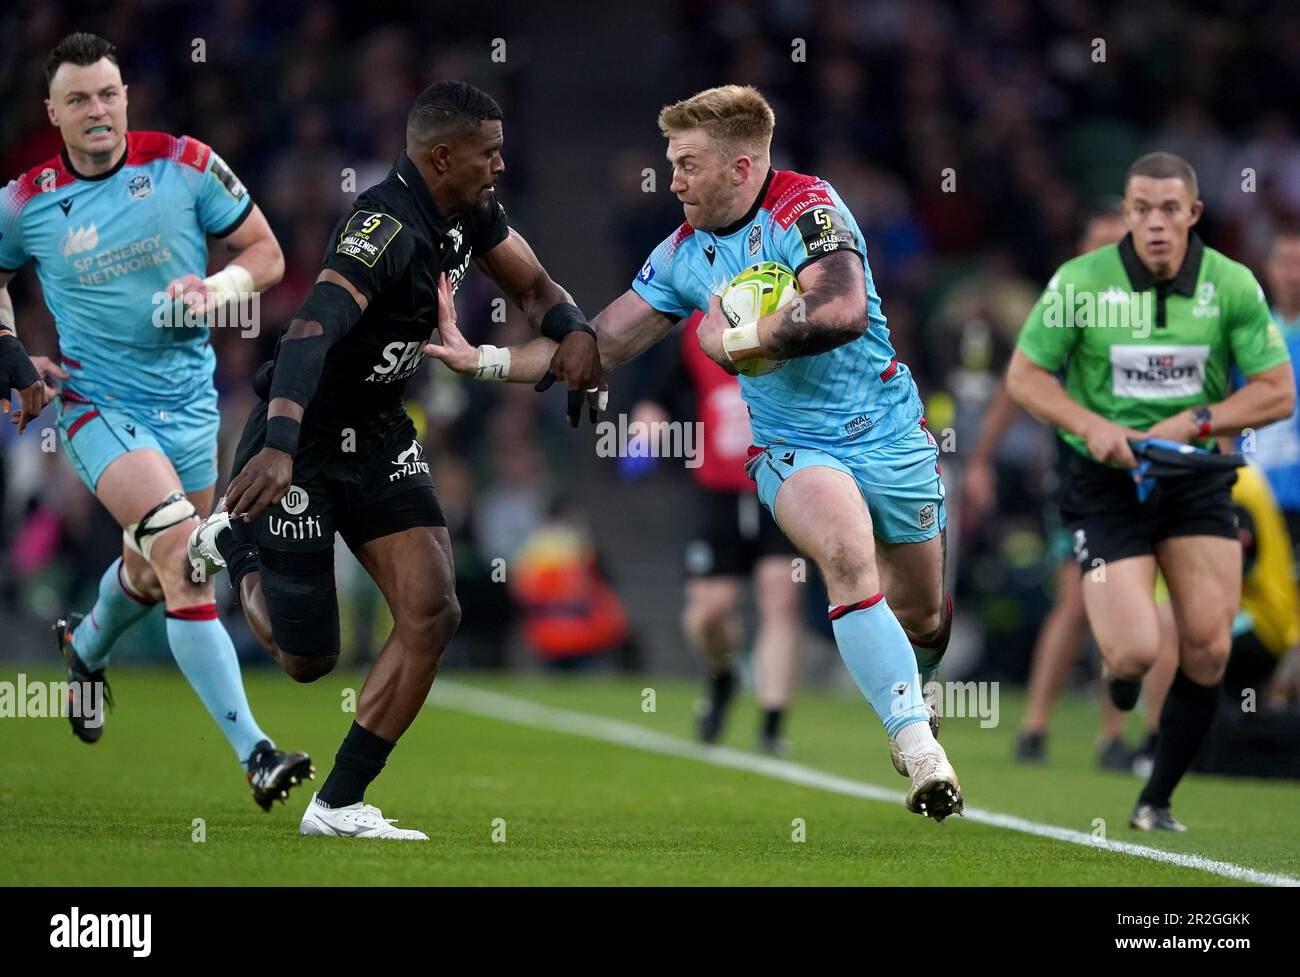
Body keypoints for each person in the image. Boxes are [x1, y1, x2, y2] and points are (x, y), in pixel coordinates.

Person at [427, 85, 962, 821]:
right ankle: (919, 749)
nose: (670, 180)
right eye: (670, 164)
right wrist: (485, 359)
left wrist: (737, 340)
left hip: (890, 432)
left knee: (925, 614)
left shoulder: (807, 208)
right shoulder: (682, 254)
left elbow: (838, 308)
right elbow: (600, 344)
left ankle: (916, 690)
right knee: (843, 552)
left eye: (686, 164)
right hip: (791, 445)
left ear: (741, 168)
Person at [189, 80, 603, 840]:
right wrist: (278, 446)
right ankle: (236, 544)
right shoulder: (384, 227)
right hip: (303, 437)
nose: (501, 166)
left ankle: (338, 802)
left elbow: (537, 286)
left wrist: (575, 329)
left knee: (434, 608)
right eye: (489, 153)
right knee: (308, 658)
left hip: (378, 432)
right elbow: (311, 329)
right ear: (441, 157)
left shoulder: (468, 210)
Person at [0, 33, 311, 810]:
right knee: (184, 554)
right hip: (95, 401)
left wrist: (222, 284)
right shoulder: (24, 200)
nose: (96, 110)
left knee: (151, 570)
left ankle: (83, 646)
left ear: (125, 97)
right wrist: (11, 352)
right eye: (77, 100)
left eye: (107, 93)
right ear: (54, 113)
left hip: (190, 403)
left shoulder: (185, 163)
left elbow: (266, 253)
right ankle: (257, 753)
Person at [1007, 152, 1295, 830]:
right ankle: (1122, 675)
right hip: (1105, 483)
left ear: (1194, 214)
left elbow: (1277, 391)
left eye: (1171, 209)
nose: (1156, 223)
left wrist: (1198, 419)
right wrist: (1090, 425)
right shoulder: (1080, 283)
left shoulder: (1231, 285)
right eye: (1142, 209)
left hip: (1192, 481)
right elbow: (1025, 377)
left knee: (1209, 645)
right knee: (1136, 650)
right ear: (1127, 215)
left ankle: (1155, 797)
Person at [964, 205, 1175, 770]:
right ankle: (1037, 726)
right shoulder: (1066, 307)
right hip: (1078, 478)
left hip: (1144, 478)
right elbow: (1015, 388)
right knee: (1077, 603)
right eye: (1099, 243)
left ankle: (1113, 734)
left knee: (1126, 604)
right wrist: (980, 460)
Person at [632, 311, 802, 753]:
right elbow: (656, 396)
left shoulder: (789, 319)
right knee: (708, 611)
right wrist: (645, 430)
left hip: (782, 482)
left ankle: (771, 724)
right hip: (718, 491)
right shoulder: (694, 330)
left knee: (780, 596)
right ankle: (723, 679)